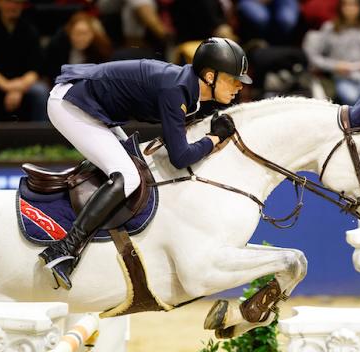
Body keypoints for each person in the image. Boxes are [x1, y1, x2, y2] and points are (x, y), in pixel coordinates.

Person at [40, 37, 252, 289]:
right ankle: (64, 249)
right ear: (209, 77)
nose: (239, 85)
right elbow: (180, 157)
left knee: (133, 167)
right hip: (71, 104)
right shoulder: (176, 91)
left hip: (94, 107)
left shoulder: (188, 89)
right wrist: (213, 138)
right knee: (127, 176)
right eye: (233, 78)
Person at [302, 0, 360, 110]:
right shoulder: (330, 28)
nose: (350, 9)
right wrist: (335, 66)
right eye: (347, 5)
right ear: (340, 7)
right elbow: (314, 57)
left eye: (354, 5)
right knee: (351, 97)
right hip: (342, 77)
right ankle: (351, 126)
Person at [43, 11, 113, 83]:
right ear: (70, 32)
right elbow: (52, 73)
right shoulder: (58, 45)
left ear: (92, 34)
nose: (81, 38)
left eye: (85, 33)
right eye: (77, 33)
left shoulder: (100, 48)